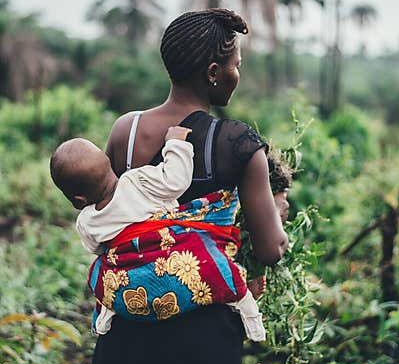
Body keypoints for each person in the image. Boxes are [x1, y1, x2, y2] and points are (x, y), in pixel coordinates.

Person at [76, 8, 289, 364]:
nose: (237, 74)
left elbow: (117, 214)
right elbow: (270, 251)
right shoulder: (238, 144)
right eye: (235, 65)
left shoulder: (126, 131)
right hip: (202, 333)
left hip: (130, 318)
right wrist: (278, 214)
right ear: (214, 72)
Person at [49, 125, 267, 341]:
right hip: (172, 259)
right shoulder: (137, 181)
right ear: (109, 165)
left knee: (100, 272)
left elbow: (97, 249)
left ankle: (105, 315)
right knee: (214, 265)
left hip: (132, 285)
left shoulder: (87, 221)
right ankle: (251, 317)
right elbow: (176, 181)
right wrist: (175, 143)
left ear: (78, 200)